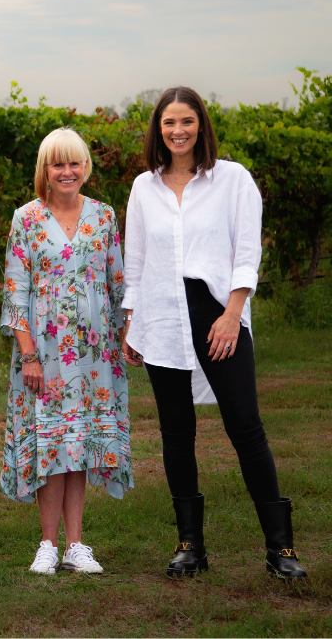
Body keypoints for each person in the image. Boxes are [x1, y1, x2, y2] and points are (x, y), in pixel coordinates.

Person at [122, 86, 308, 581]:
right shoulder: (144, 188)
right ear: (158, 130)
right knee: (176, 435)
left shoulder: (232, 181)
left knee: (245, 427)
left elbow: (246, 253)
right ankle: (190, 546)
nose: (177, 131)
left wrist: (232, 314)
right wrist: (131, 321)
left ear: (201, 125)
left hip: (217, 314)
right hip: (160, 318)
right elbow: (135, 262)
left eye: (186, 121)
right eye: (168, 123)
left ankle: (281, 550)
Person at [0, 128, 132, 575]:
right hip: (44, 353)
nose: (67, 171)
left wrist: (124, 337)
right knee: (50, 441)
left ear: (85, 167)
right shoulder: (27, 218)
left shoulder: (105, 216)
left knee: (78, 444)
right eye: (58, 164)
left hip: (94, 357)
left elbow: (117, 287)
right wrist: (29, 355)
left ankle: (76, 544)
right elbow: (15, 292)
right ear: (45, 170)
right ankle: (47, 545)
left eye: (74, 163)